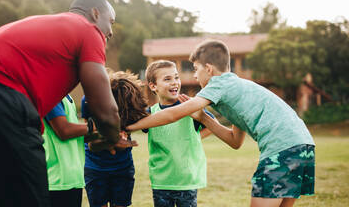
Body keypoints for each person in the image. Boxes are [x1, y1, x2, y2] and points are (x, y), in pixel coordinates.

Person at [0, 0, 134, 207]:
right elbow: (105, 110)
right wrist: (112, 137)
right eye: (111, 22)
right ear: (95, 14)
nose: (111, 32)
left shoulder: (46, 28)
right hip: (1, 94)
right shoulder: (88, 30)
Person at [127, 40, 315, 207]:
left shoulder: (219, 84)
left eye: (195, 69)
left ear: (208, 69)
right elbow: (235, 142)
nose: (194, 76)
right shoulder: (237, 91)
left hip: (281, 147)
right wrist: (203, 118)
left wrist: (129, 126)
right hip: (303, 145)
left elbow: (172, 115)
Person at [140, 60, 212, 207]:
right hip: (161, 182)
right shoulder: (149, 114)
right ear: (153, 86)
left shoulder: (189, 108)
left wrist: (195, 138)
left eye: (176, 77)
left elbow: (212, 125)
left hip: (187, 181)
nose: (174, 82)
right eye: (167, 79)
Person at [82, 70, 148, 207]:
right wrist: (111, 140)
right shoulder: (89, 100)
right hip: (94, 167)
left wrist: (124, 131)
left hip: (123, 167)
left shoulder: (130, 102)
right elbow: (88, 139)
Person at [42, 94, 87, 207]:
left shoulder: (67, 96)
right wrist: (93, 126)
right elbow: (64, 130)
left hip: (72, 178)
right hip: (56, 179)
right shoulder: (50, 94)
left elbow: (76, 133)